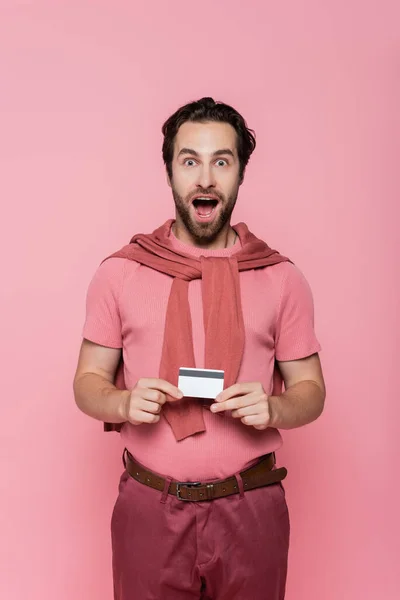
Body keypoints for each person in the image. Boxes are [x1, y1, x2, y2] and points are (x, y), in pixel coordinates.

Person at [73, 97, 326, 600]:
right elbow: (86, 383)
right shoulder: (119, 273)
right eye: (190, 161)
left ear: (240, 174)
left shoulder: (281, 278)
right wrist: (123, 402)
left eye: (221, 161)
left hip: (250, 507)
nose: (205, 177)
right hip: (150, 506)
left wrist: (275, 406)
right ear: (170, 172)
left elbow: (312, 391)